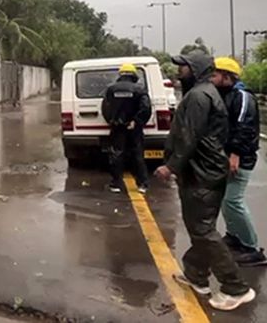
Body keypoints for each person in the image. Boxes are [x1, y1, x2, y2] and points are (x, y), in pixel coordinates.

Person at [154, 52, 255, 311]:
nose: (179, 71)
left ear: (196, 69)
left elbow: (190, 137)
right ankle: (196, 275)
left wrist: (170, 166)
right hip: (203, 172)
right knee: (200, 227)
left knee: (203, 230)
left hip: (202, 174)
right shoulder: (204, 92)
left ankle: (236, 287)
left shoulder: (199, 96)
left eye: (184, 67)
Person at [212, 57, 265, 266]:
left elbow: (244, 127)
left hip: (240, 157)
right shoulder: (226, 95)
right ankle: (234, 236)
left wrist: (234, 154)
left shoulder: (242, 97)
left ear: (227, 76)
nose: (212, 78)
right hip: (228, 155)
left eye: (215, 74)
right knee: (226, 199)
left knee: (233, 200)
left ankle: (252, 247)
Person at [101, 63, 151, 194]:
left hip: (117, 128)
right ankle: (143, 184)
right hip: (134, 128)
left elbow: (105, 108)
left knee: (116, 154)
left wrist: (111, 121)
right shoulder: (139, 90)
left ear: (121, 75)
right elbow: (146, 108)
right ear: (133, 75)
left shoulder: (111, 89)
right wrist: (137, 121)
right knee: (137, 155)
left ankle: (116, 184)